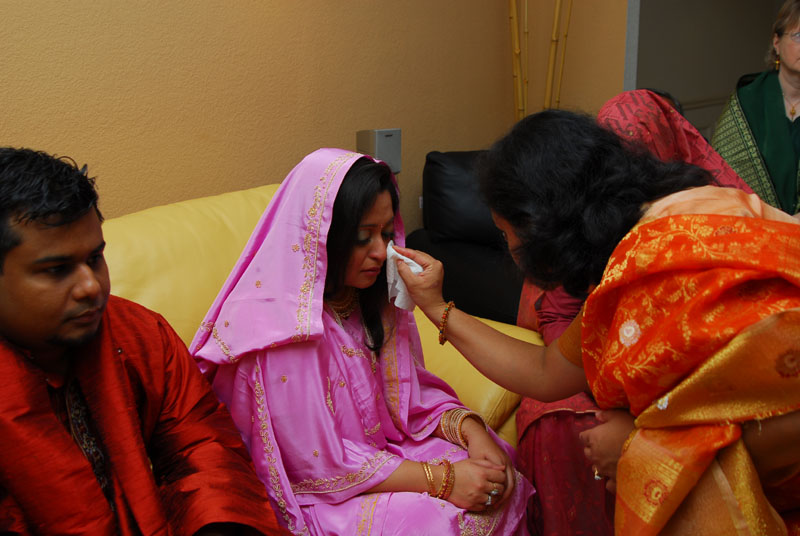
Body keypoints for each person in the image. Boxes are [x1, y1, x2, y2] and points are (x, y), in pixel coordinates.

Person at [395, 110, 800, 534]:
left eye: (505, 232)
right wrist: (435, 306)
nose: (507, 247)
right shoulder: (656, 235)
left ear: (538, 226)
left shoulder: (658, 265)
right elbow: (547, 370)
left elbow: (778, 413)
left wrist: (641, 448)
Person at [190, 148, 533, 535]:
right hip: (323, 492)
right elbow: (319, 464)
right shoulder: (278, 327)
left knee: (499, 476)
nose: (380, 252)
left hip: (382, 459)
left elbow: (412, 399)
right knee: (438, 523)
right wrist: (445, 480)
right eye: (361, 237)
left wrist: (475, 436)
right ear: (319, 235)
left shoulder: (369, 300)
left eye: (386, 234)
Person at [513, 88, 758, 536]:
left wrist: (642, 440)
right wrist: (438, 310)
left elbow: (745, 388)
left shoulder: (688, 234)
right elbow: (556, 351)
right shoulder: (602, 237)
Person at [0, 148, 283, 535]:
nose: (90, 286)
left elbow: (200, 448)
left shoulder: (140, 335)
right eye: (57, 270)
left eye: (95, 258)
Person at [712, 0, 800, 215]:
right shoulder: (747, 100)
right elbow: (721, 173)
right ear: (776, 42)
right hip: (752, 222)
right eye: (799, 36)